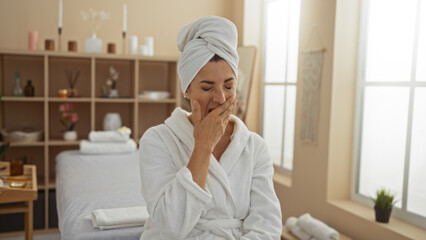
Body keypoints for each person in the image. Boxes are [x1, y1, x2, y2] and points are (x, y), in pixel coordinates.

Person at [139, 16, 282, 239]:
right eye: (207, 88)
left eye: (229, 86)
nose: (221, 98)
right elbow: (166, 227)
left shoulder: (254, 147)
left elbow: (267, 227)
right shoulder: (158, 140)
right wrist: (203, 147)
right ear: (187, 90)